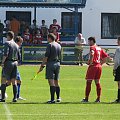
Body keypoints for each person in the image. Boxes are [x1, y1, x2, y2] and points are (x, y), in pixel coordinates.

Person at [81, 37, 109, 103]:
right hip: (99, 66)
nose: (88, 43)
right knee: (97, 82)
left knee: (88, 82)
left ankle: (86, 98)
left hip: (93, 66)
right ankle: (98, 99)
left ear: (92, 41)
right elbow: (105, 57)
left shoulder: (92, 47)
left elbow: (92, 53)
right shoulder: (99, 48)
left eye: (89, 41)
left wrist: (90, 62)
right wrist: (100, 64)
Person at [39, 33, 61, 104]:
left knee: (51, 81)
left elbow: (46, 57)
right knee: (56, 81)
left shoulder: (50, 45)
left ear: (49, 38)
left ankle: (52, 99)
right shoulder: (58, 45)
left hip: (51, 64)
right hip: (57, 64)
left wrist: (42, 66)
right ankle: (58, 98)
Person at [0, 31, 20, 102]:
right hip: (15, 63)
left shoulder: (7, 43)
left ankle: (2, 98)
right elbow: (19, 57)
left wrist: (2, 62)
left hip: (8, 62)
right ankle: (15, 98)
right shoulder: (16, 45)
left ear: (8, 36)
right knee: (13, 81)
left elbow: (6, 54)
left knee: (3, 79)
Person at [113, 37, 120, 103]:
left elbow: (117, 61)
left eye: (117, 41)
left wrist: (114, 69)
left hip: (119, 68)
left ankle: (119, 99)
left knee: (119, 84)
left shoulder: (118, 49)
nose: (117, 42)